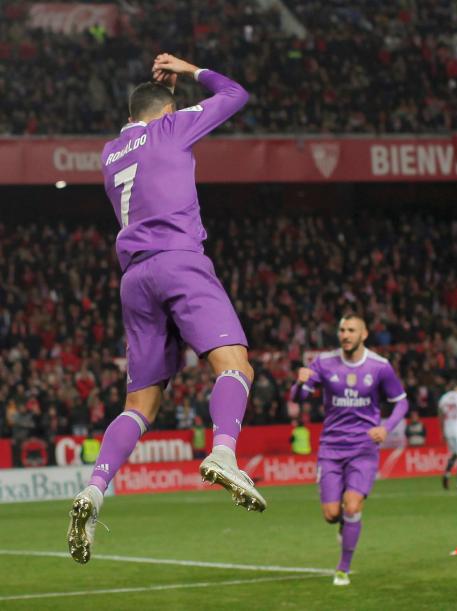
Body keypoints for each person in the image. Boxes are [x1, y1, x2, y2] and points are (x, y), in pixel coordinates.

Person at [68, 53, 265, 566]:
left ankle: (94, 490)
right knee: (235, 363)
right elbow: (236, 94)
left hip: (134, 279)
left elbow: (138, 132)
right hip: (179, 261)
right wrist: (191, 68)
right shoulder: (171, 128)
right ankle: (224, 451)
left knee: (140, 406)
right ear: (168, 108)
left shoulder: (110, 153)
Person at [289, 313, 409, 587]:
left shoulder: (380, 367)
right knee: (332, 514)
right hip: (331, 447)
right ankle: (344, 523)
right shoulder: (323, 362)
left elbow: (401, 402)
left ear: (363, 334)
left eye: (351, 330)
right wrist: (299, 382)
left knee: (352, 504)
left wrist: (386, 427)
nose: (345, 335)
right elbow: (300, 398)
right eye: (342, 330)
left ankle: (343, 568)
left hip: (364, 447)